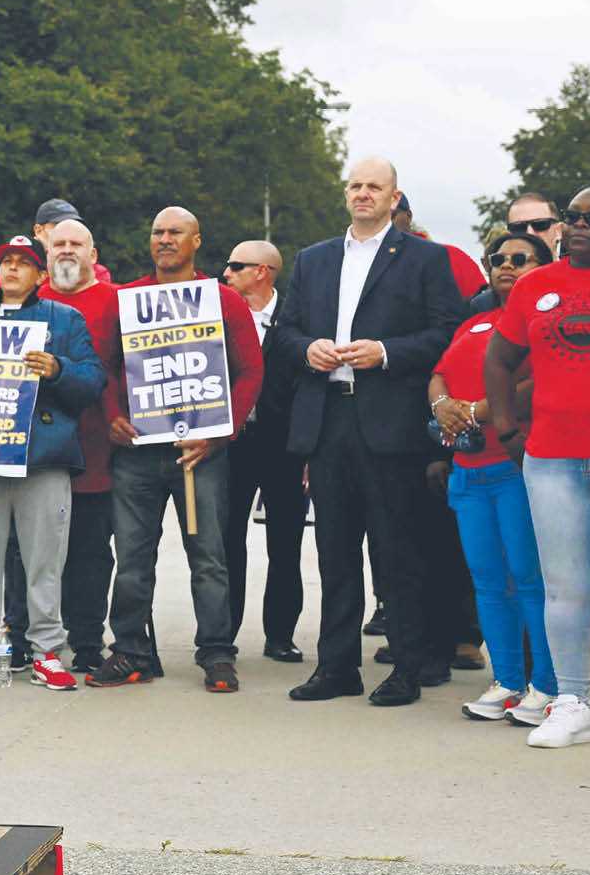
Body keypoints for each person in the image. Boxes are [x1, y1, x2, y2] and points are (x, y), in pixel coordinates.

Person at [277, 157, 464, 707]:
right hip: (327, 418)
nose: (363, 194)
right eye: (356, 186)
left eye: (374, 187)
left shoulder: (425, 259)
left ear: (394, 196)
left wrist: (385, 353)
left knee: (396, 551)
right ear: (346, 194)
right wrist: (306, 349)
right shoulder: (314, 260)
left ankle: (407, 668)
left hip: (389, 424)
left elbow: (447, 332)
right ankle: (336, 668)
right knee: (334, 553)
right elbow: (283, 333)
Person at [92, 207, 263, 693]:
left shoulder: (223, 301)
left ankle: (216, 653)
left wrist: (219, 434)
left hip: (200, 451)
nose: (164, 240)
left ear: (196, 242)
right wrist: (111, 416)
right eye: (158, 233)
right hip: (138, 452)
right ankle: (129, 651)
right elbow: (103, 364)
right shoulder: (125, 299)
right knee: (132, 558)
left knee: (208, 556)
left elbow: (251, 371)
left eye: (175, 233)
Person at [0, 236, 105, 690]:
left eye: (21, 263)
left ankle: (47, 650)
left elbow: (93, 380)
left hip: (42, 458)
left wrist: (57, 369)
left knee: (45, 559)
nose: (11, 269)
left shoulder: (64, 319)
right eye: (5, 262)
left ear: (39, 276)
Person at [486, 185, 590, 749]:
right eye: (573, 217)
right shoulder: (537, 285)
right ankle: (572, 701)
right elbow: (500, 357)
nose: (580, 225)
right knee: (566, 585)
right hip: (553, 458)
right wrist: (510, 429)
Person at [431, 230, 555, 724]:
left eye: (520, 259)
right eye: (498, 258)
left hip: (514, 467)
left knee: (529, 581)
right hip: (467, 470)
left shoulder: (544, 321)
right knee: (487, 582)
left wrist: (480, 409)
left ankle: (546, 686)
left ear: (543, 267)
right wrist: (443, 406)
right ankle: (507, 680)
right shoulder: (477, 321)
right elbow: (439, 371)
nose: (506, 265)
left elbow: (537, 381)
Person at [219, 239, 309, 662]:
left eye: (236, 267)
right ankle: (223, 633)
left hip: (283, 442)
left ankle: (280, 634)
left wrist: (308, 444)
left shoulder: (297, 317)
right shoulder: (216, 314)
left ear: (263, 272)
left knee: (286, 541)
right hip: (232, 443)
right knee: (226, 540)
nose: (226, 274)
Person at [40, 218, 119, 674]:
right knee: (37, 550)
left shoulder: (117, 301)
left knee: (91, 551)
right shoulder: (25, 304)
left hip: (98, 448)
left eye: (77, 244)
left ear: (93, 254)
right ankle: (36, 635)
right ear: (46, 253)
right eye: (59, 244)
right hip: (37, 452)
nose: (67, 250)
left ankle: (87, 639)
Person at [393, 193, 486, 301]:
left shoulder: (452, 256)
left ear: (408, 216)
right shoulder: (370, 260)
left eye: (391, 215)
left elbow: (481, 307)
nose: (383, 224)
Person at [35, 198, 112, 283]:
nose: (67, 231)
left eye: (73, 225)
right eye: (59, 225)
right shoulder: (21, 262)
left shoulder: (95, 271)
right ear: (38, 230)